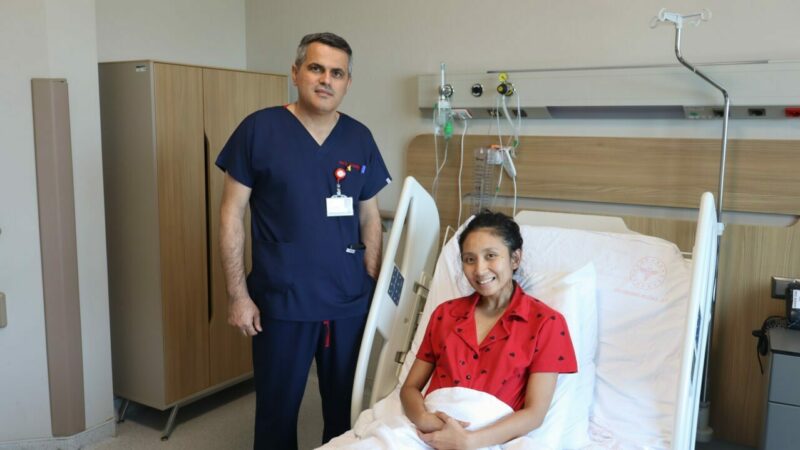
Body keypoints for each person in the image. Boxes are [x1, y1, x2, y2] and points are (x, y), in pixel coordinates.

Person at [216, 32, 391, 449]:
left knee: (347, 414)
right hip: (282, 301)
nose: (326, 80)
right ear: (296, 73)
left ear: (348, 82)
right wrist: (238, 296)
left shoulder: (359, 138)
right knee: (276, 414)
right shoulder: (259, 130)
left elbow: (370, 215)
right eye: (316, 68)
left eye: (337, 73)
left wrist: (369, 283)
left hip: (347, 301)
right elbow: (231, 215)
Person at [400, 211, 577, 449]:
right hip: (426, 432)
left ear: (515, 259)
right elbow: (410, 388)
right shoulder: (445, 314)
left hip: (489, 439)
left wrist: (468, 442)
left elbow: (535, 414)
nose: (480, 270)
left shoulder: (546, 323)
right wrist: (423, 419)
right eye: (469, 259)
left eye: (491, 256)